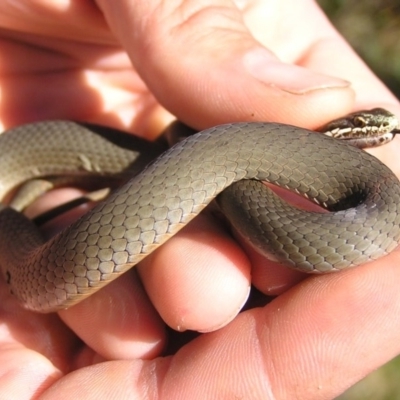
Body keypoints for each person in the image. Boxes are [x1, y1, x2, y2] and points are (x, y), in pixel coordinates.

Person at [1, 1, 399, 399]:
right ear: (341, 129)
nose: (380, 131)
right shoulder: (234, 138)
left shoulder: (364, 190)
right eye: (364, 123)